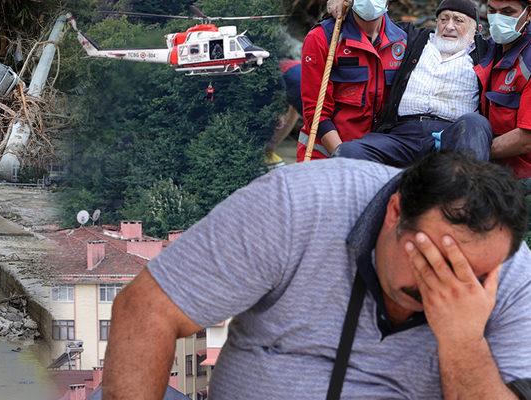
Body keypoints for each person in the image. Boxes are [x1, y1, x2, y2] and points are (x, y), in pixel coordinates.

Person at [102, 152, 531, 399]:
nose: (447, 286)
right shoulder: (298, 203)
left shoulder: (515, 277)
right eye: (434, 260)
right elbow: (147, 309)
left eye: (473, 276)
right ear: (395, 213)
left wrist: (462, 343)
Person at [333, 0, 495, 167]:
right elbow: (374, 21)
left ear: (477, 29)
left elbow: (519, 38)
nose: (449, 26)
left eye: (458, 20)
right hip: (402, 135)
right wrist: (344, 3)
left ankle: (470, 191)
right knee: (349, 152)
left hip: (452, 136)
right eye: (444, 19)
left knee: (476, 123)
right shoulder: (413, 38)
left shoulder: (486, 52)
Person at [299, 0, 407, 160]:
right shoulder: (322, 38)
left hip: (376, 158)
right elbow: (316, 111)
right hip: (324, 157)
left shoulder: (402, 41)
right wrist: (344, 156)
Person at [477, 0, 531, 180]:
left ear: (528, 13)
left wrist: (469, 150)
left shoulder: (528, 63)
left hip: (523, 175)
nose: (498, 18)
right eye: (492, 11)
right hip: (491, 167)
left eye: (508, 12)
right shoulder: (487, 50)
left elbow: (526, 139)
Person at [265, 59, 302, 167]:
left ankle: (268, 152)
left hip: (294, 69)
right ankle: (267, 152)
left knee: (293, 113)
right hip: (292, 74)